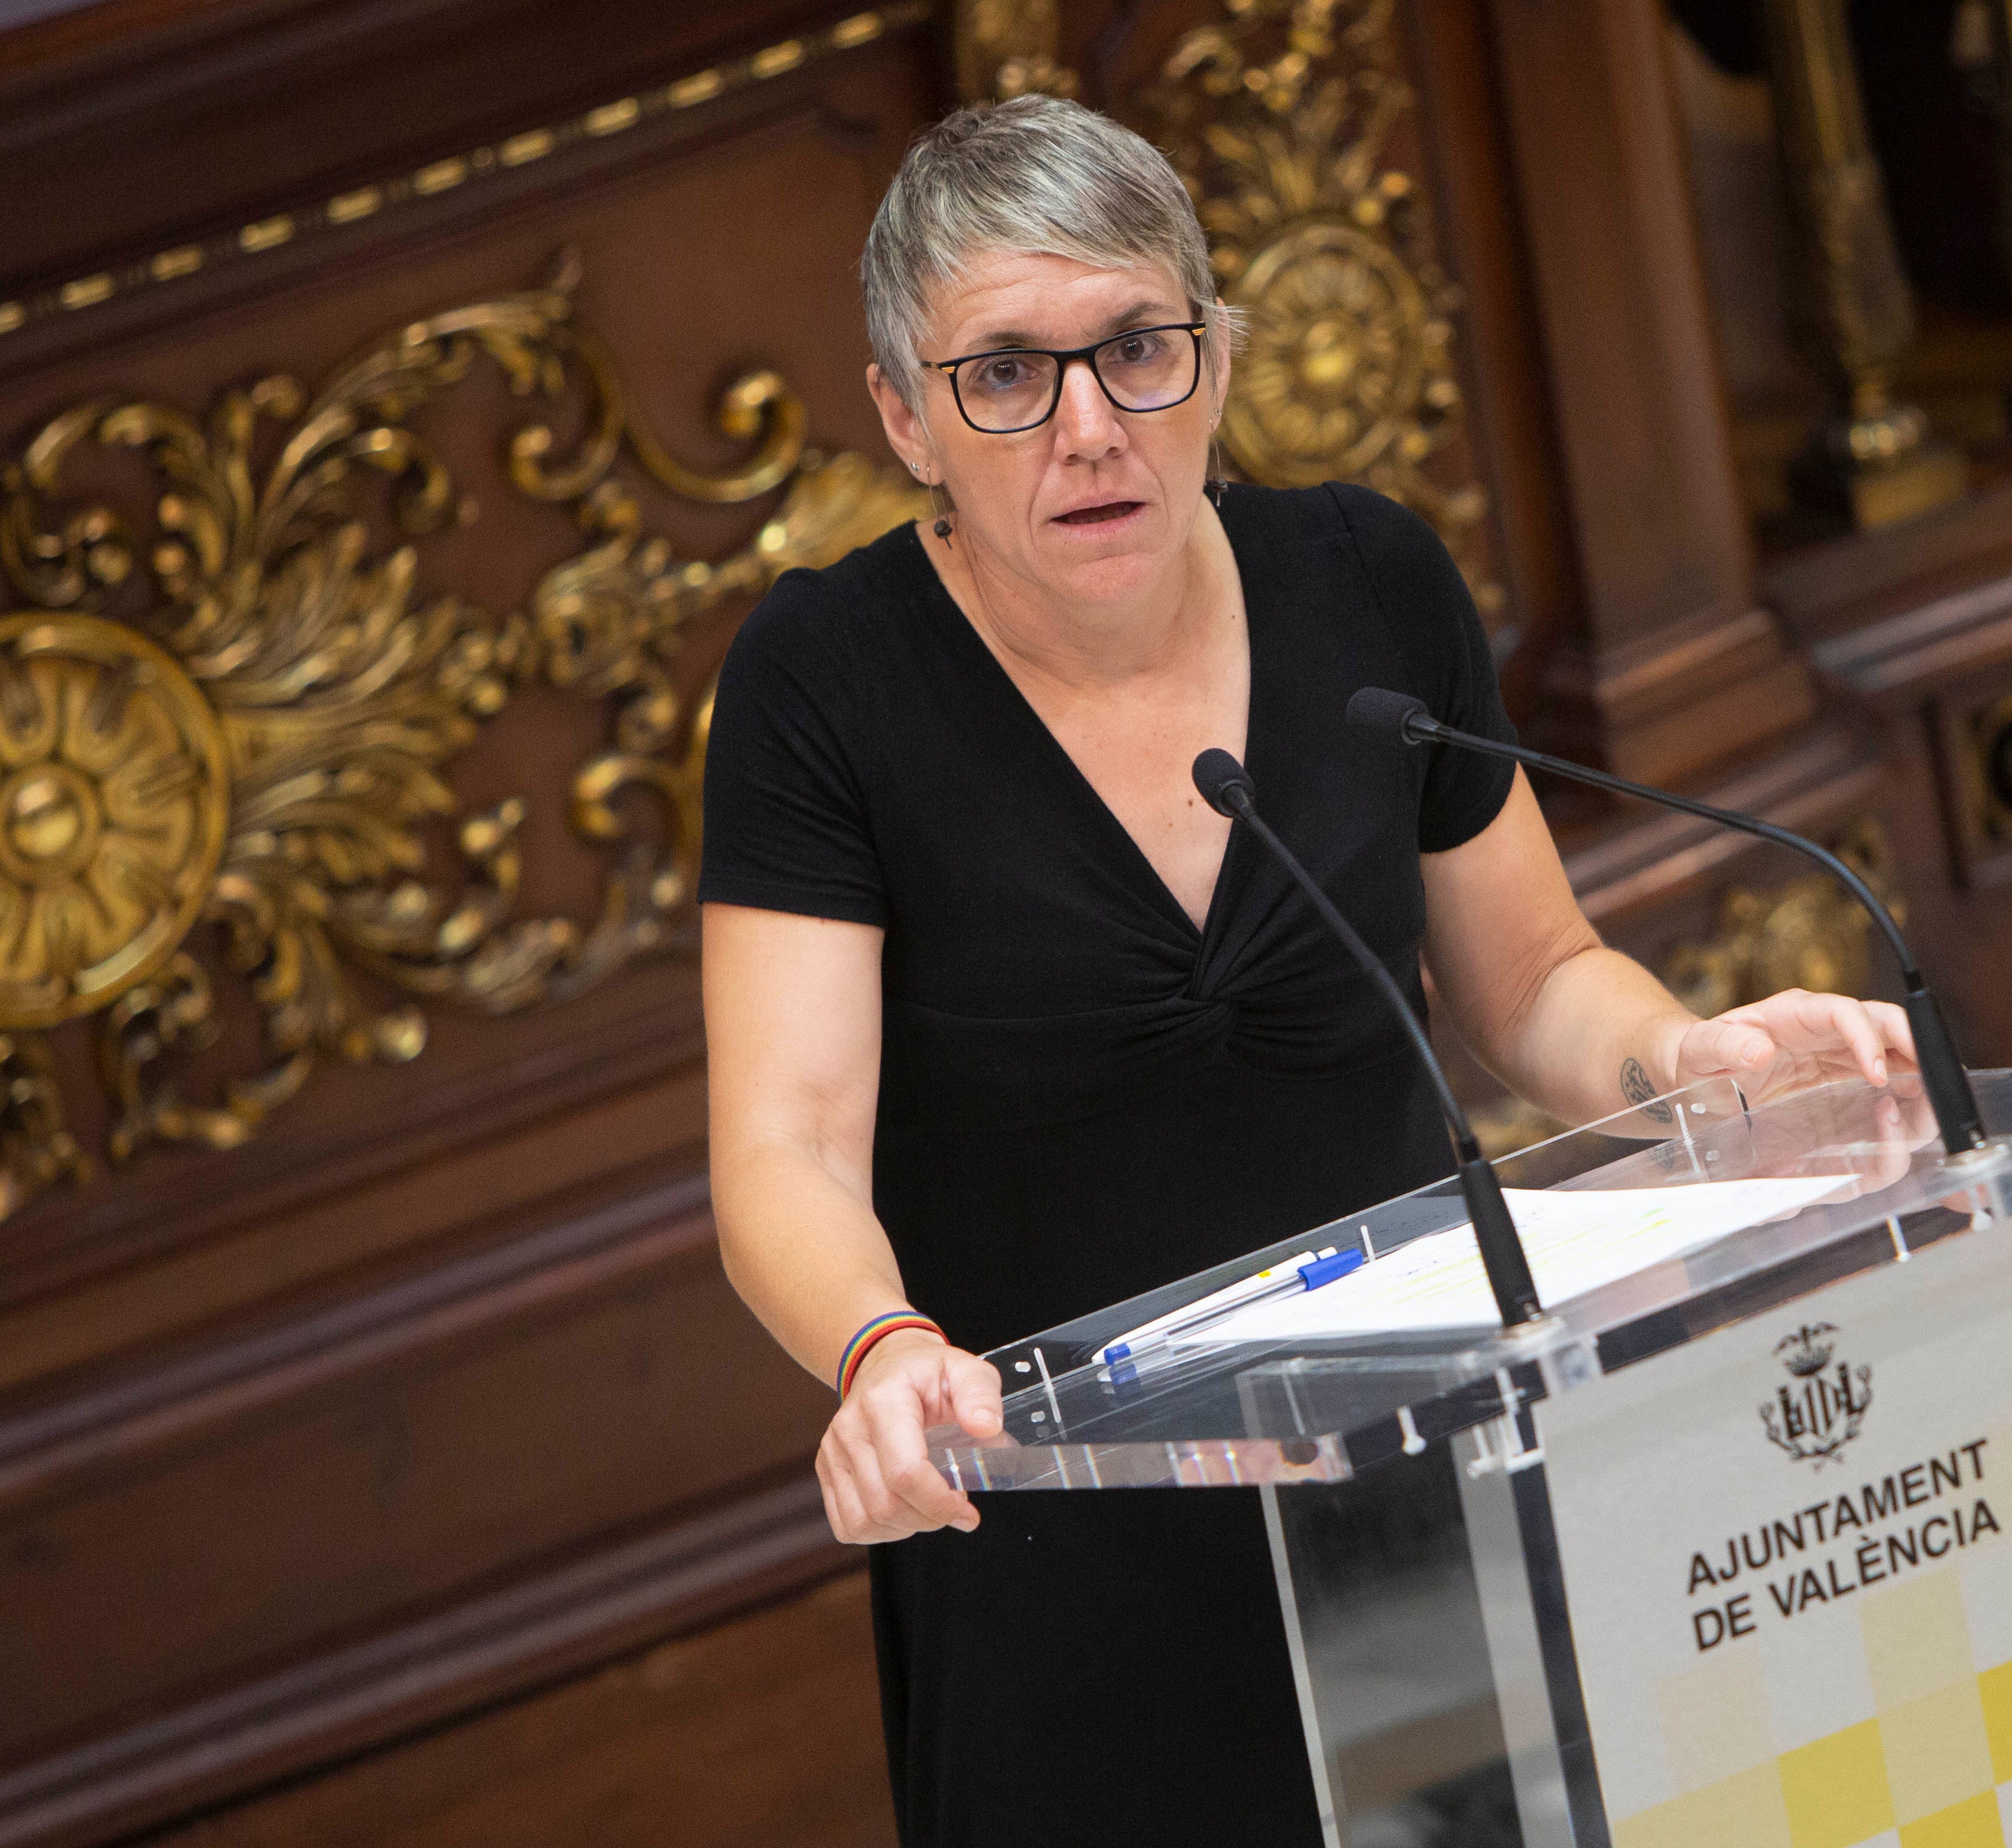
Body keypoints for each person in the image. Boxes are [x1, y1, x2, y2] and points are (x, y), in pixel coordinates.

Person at [698, 93, 1925, 1844]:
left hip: (1429, 1470)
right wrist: (883, 1349)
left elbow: (1535, 982)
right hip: (1063, 1532)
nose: (1090, 426)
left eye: (1140, 348)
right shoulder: (826, 685)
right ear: (905, 416)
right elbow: (785, 1146)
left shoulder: (1365, 581)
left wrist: (1687, 1066)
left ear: (1216, 355)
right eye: (1006, 375)